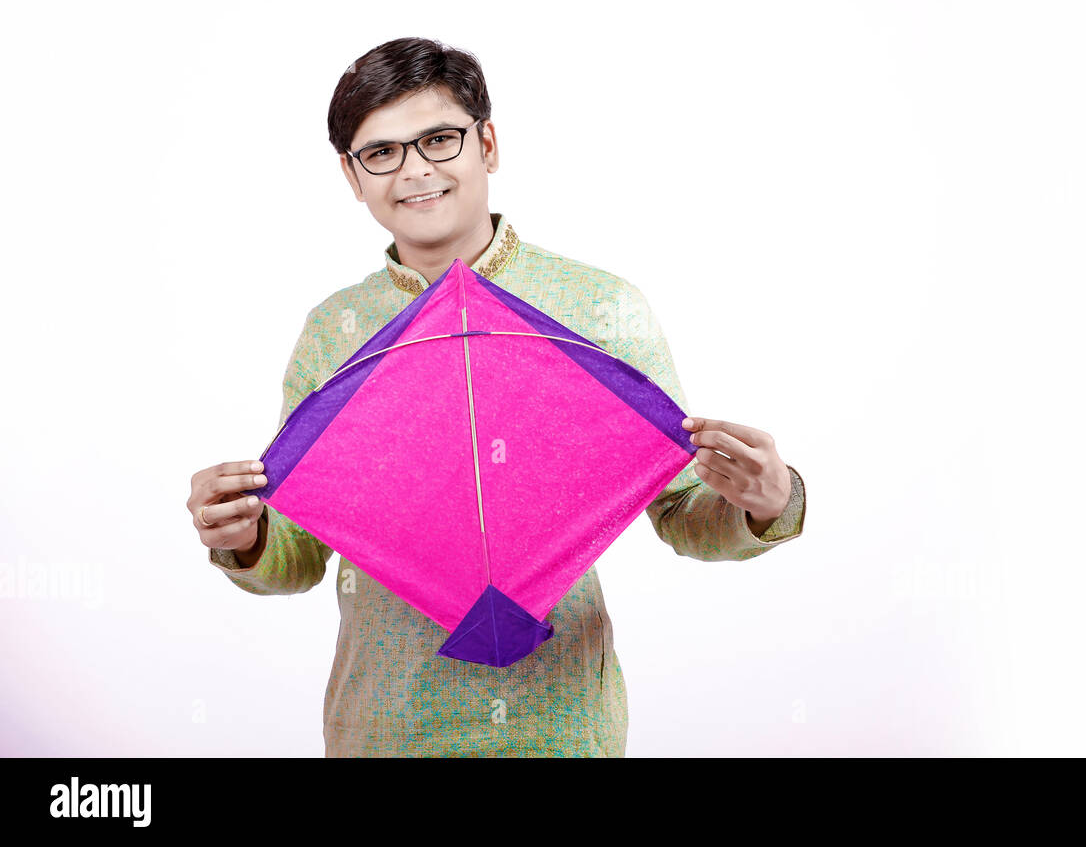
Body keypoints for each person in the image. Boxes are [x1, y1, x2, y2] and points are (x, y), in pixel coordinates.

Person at [186, 37, 807, 756]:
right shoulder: (335, 333)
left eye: (439, 139)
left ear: (487, 143)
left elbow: (679, 510)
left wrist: (765, 500)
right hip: (387, 728)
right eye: (380, 153)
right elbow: (300, 548)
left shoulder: (598, 308)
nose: (414, 170)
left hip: (561, 724)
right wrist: (247, 537)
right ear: (353, 179)